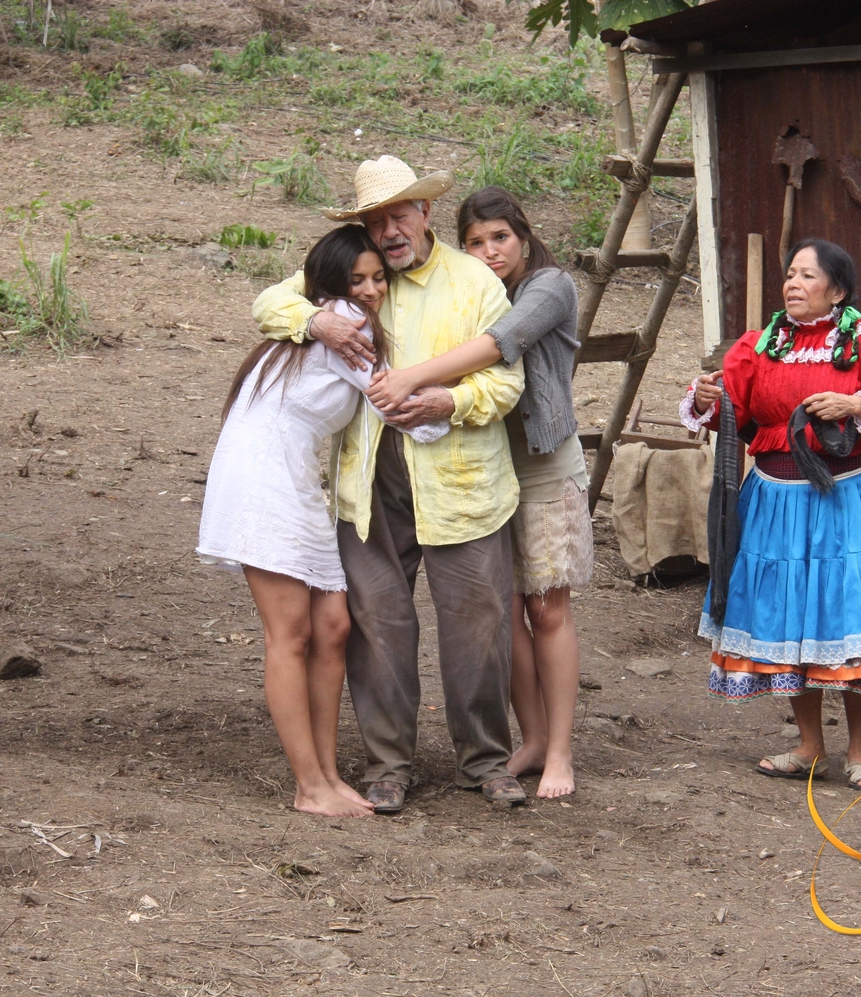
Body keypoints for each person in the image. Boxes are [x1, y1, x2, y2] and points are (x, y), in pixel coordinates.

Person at [251, 156, 527, 813]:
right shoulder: (355, 273)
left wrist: (446, 403)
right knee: (378, 623)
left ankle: (486, 760)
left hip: (462, 482)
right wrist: (315, 321)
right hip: (369, 482)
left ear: (426, 213)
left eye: (400, 213)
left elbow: (508, 381)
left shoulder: (474, 282)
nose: (389, 228)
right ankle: (387, 765)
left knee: (479, 625)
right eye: (376, 219)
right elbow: (270, 303)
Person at [682, 238, 861, 791]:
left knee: (851, 621)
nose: (793, 284)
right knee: (789, 622)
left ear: (838, 289)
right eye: (790, 275)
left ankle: (859, 755)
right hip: (776, 501)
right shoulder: (760, 346)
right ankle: (808, 747)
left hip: (851, 498)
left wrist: (857, 404)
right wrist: (709, 397)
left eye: (807, 276)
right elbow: (737, 409)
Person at [366, 186, 590, 799]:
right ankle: (533, 739)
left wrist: (413, 377)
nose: (489, 252)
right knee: (503, 615)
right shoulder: (442, 280)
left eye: (500, 239)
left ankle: (561, 752)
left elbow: (498, 344)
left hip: (537, 464)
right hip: (482, 466)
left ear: (524, 236)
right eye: (476, 242)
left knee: (547, 610)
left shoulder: (548, 287)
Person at [196, 225, 397, 818]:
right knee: (291, 634)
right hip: (265, 483)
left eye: (378, 278)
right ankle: (309, 786)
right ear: (332, 285)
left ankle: (330, 774)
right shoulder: (337, 319)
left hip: (300, 482)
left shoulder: (328, 318)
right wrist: (455, 408)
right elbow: (402, 409)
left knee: (332, 626)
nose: (369, 292)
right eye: (356, 280)